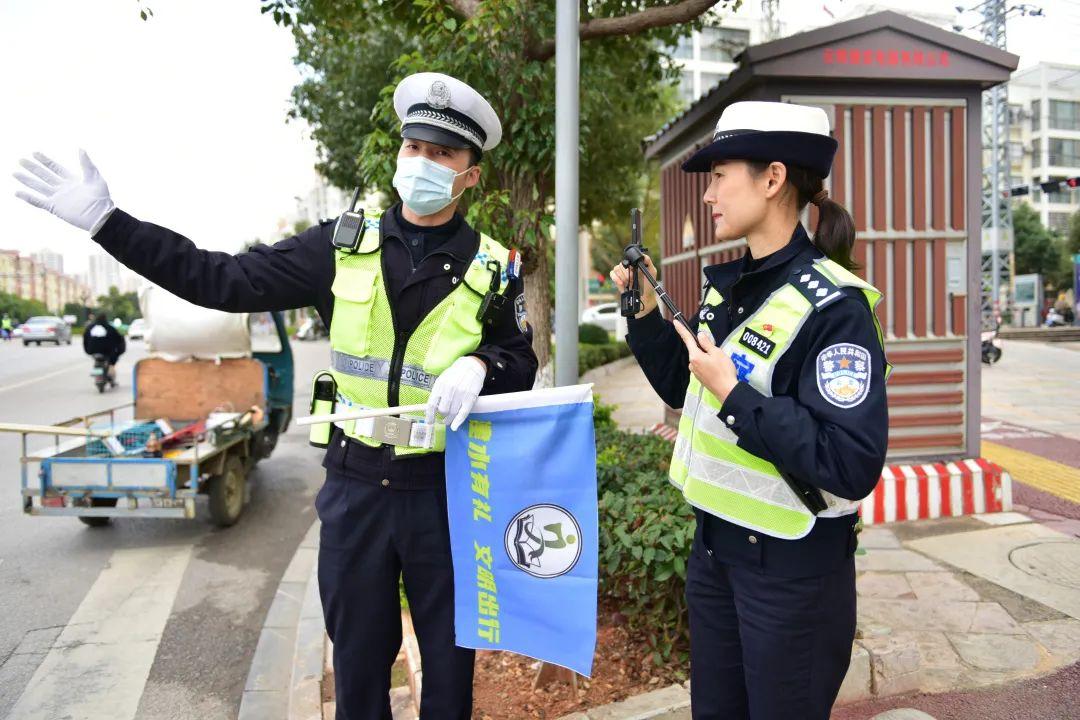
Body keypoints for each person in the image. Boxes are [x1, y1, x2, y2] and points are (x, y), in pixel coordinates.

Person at [14, 71, 538, 720]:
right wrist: (107, 223)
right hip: (355, 488)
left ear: (469, 176)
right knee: (357, 677)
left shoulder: (494, 266)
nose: (422, 163)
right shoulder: (341, 248)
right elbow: (221, 279)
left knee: (452, 681)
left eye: (442, 154)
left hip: (448, 491)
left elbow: (522, 363)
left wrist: (485, 365)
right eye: (414, 148)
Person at [610, 101, 889, 720]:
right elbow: (689, 396)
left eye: (719, 175)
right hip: (715, 557)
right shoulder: (730, 287)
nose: (709, 193)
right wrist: (645, 312)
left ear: (772, 179)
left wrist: (737, 393)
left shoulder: (835, 307)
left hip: (792, 575)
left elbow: (849, 461)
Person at [82, 311, 126, 386]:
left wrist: (87, 350)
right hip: (107, 352)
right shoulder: (110, 328)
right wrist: (119, 351)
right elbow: (119, 340)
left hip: (92, 351)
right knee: (112, 362)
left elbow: (85, 340)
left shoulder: (90, 328)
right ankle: (111, 376)